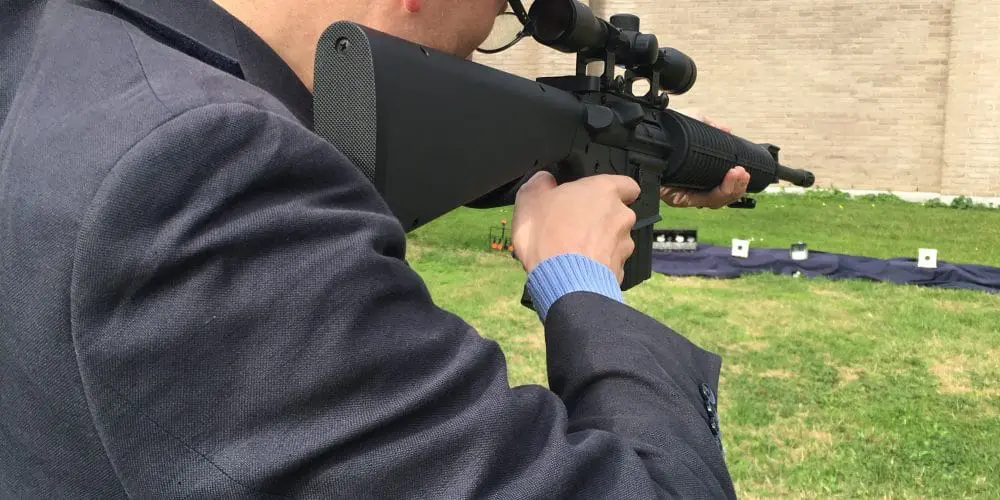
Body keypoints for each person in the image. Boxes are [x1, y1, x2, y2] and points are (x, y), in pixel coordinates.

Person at [0, 0, 751, 497]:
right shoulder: (207, 162)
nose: (473, 56)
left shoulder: (67, 51)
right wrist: (579, 281)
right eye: (491, 24)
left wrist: (614, 168)